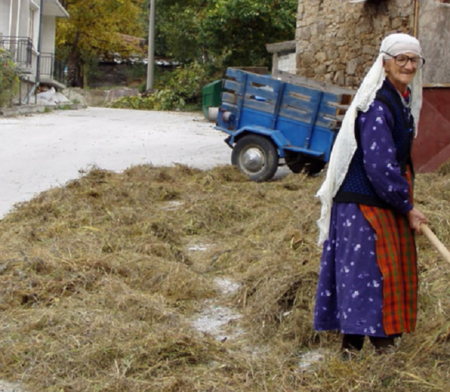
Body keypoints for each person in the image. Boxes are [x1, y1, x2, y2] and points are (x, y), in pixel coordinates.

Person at [313, 33, 428, 355]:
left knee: (368, 274)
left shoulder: (398, 99)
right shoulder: (377, 106)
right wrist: (406, 206)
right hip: (363, 203)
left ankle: (353, 349)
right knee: (374, 273)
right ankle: (379, 347)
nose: (408, 65)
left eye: (413, 59)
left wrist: (403, 203)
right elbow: (379, 165)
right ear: (385, 62)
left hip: (380, 199)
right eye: (401, 59)